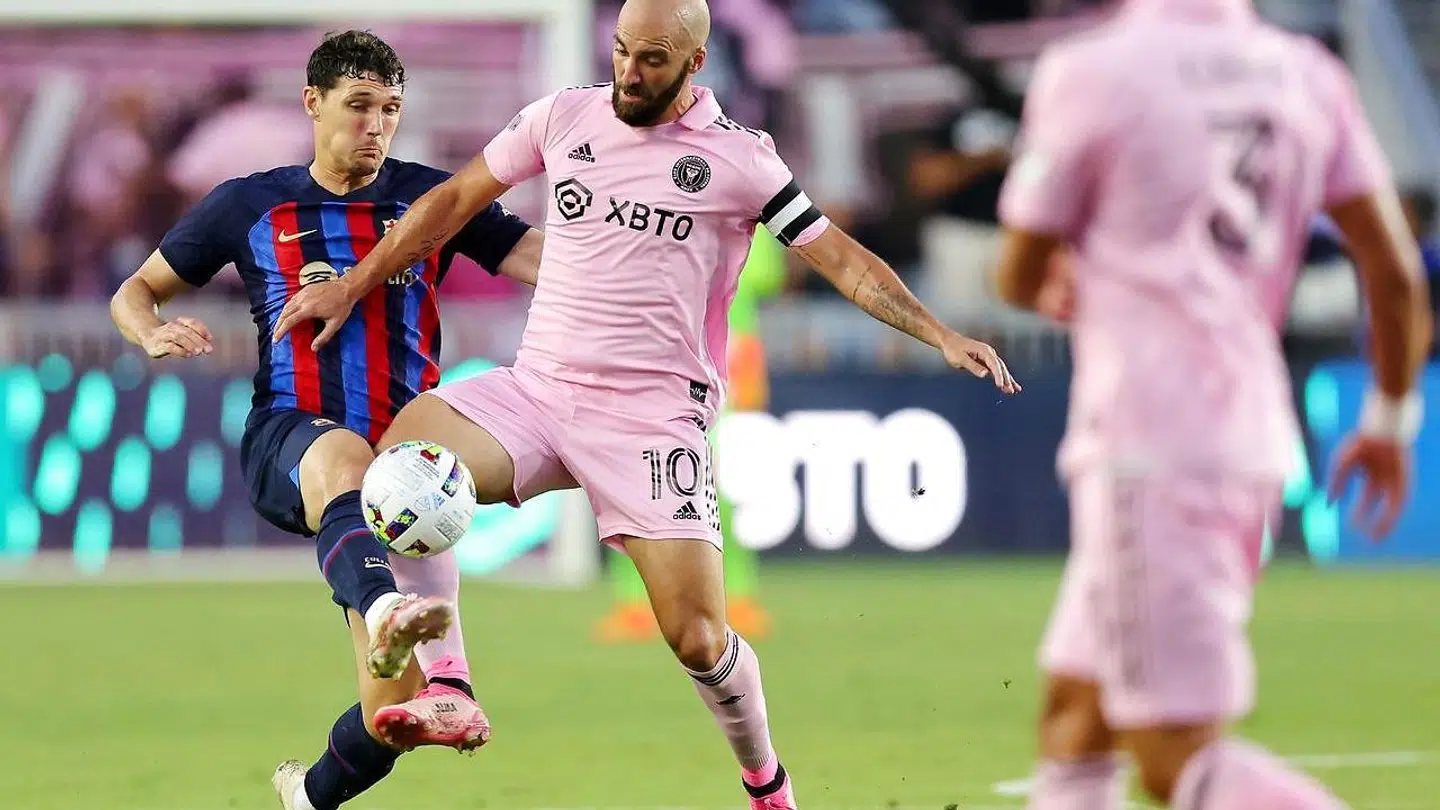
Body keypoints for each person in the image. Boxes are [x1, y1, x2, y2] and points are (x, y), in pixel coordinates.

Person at [271, 2, 1019, 806]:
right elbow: (453, 202)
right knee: (400, 468)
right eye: (623, 51)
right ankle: (449, 683)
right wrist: (353, 283)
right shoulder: (564, 116)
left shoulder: (741, 161)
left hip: (652, 421)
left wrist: (936, 331)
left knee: (697, 638)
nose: (630, 72)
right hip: (539, 388)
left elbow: (841, 258)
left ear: (695, 64)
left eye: (653, 60)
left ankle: (767, 783)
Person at [991, 1, 1434, 809]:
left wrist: (1064, 278)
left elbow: (1019, 269)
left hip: (1148, 442)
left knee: (1174, 759)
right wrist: (1389, 424)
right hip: (1249, 435)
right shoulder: (1308, 74)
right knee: (1075, 719)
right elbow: (1396, 274)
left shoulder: (1092, 70)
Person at [107, 30, 545, 810]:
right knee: (345, 459)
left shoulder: (428, 198)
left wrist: (634, 252)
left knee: (392, 719)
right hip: (290, 436)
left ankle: (306, 795)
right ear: (313, 104)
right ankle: (388, 609)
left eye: (391, 109)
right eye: (359, 107)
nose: (376, 125)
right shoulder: (251, 202)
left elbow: (534, 259)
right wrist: (149, 330)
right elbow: (135, 289)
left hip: (400, 467)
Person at [594, 228, 786, 643]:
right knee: (632, 485)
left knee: (717, 490)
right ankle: (634, 602)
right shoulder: (647, 205)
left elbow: (764, 279)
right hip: (649, 358)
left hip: (720, 365)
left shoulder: (748, 202)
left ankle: (737, 596)